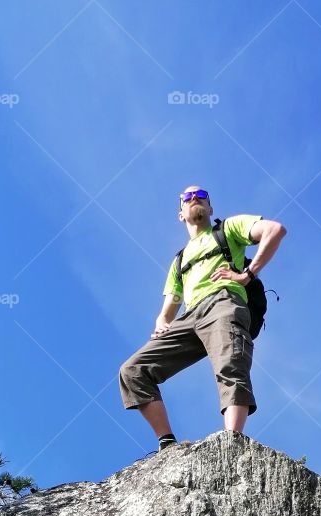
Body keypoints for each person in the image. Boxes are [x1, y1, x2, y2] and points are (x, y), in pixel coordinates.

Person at [118, 185, 286, 450]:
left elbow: (275, 230)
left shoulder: (227, 229)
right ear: (181, 213)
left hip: (223, 302)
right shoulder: (180, 260)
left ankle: (231, 443)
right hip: (189, 316)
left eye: (201, 195)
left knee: (230, 365)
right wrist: (162, 321)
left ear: (210, 208)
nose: (194, 198)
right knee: (133, 370)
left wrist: (248, 273)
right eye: (187, 197)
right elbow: (172, 300)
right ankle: (167, 444)